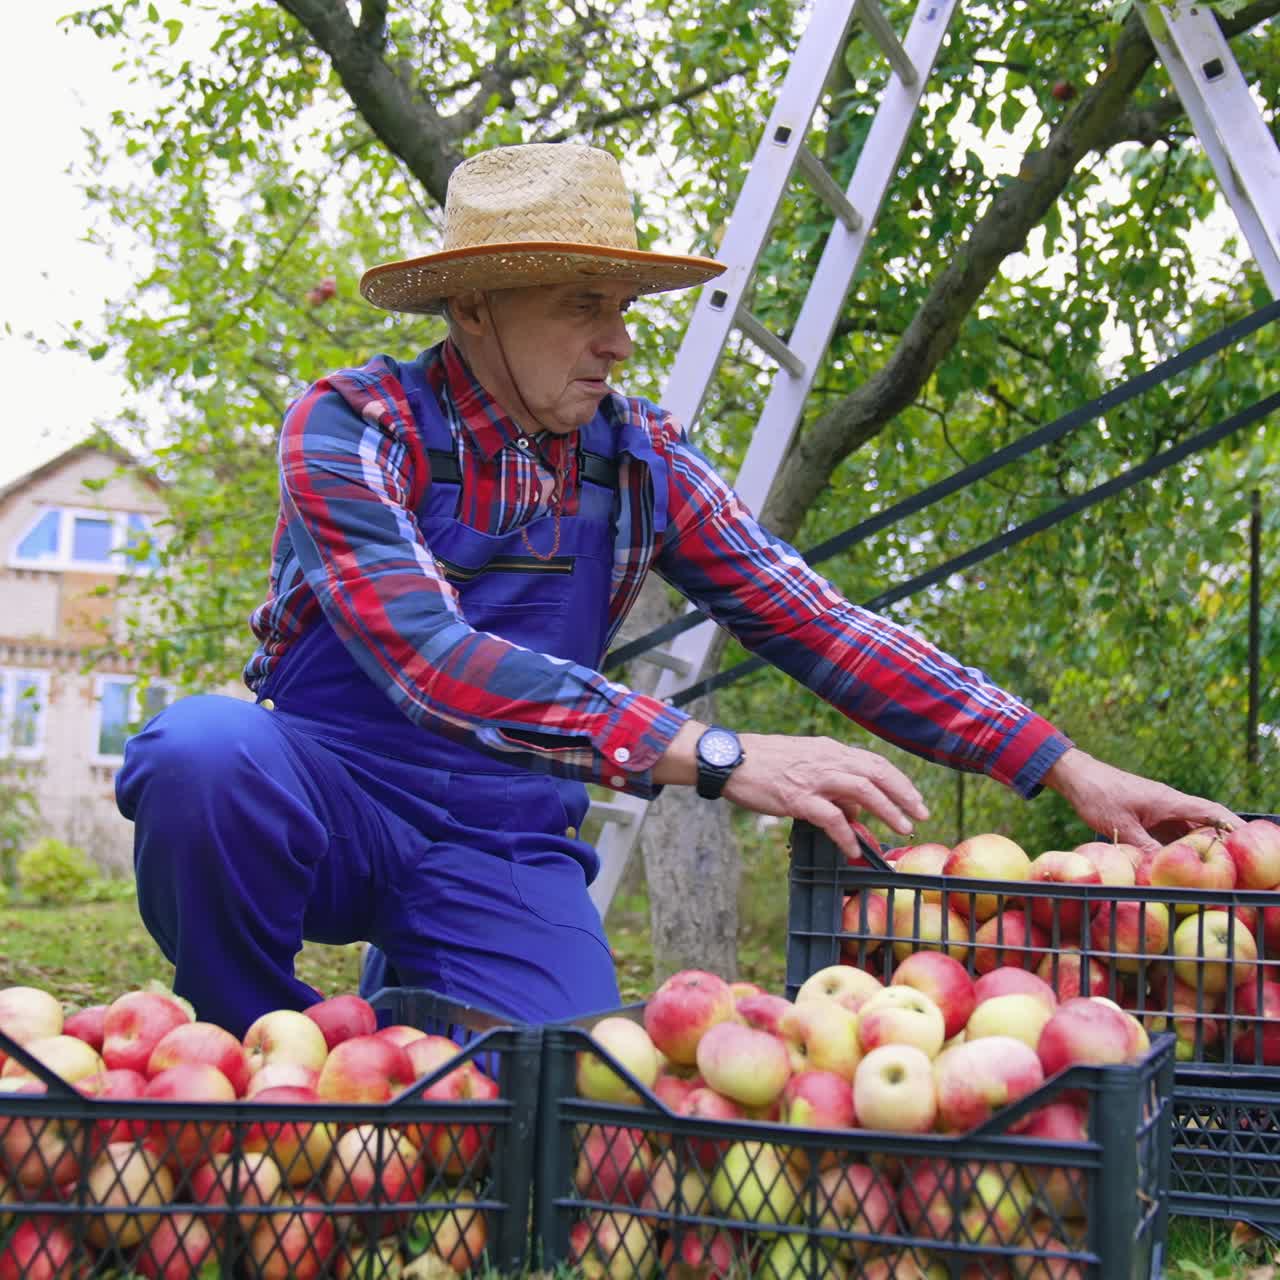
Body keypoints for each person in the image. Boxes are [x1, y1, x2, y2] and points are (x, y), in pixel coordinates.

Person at [116, 143, 1237, 1036]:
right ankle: (245, 1036)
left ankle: (427, 993)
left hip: (502, 837)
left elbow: (818, 623)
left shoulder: (638, 456)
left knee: (559, 1116)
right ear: (472, 309)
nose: (614, 340)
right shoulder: (355, 425)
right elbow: (425, 656)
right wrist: (714, 753)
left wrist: (1059, 763)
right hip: (337, 795)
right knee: (202, 753)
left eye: (623, 307)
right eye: (580, 304)